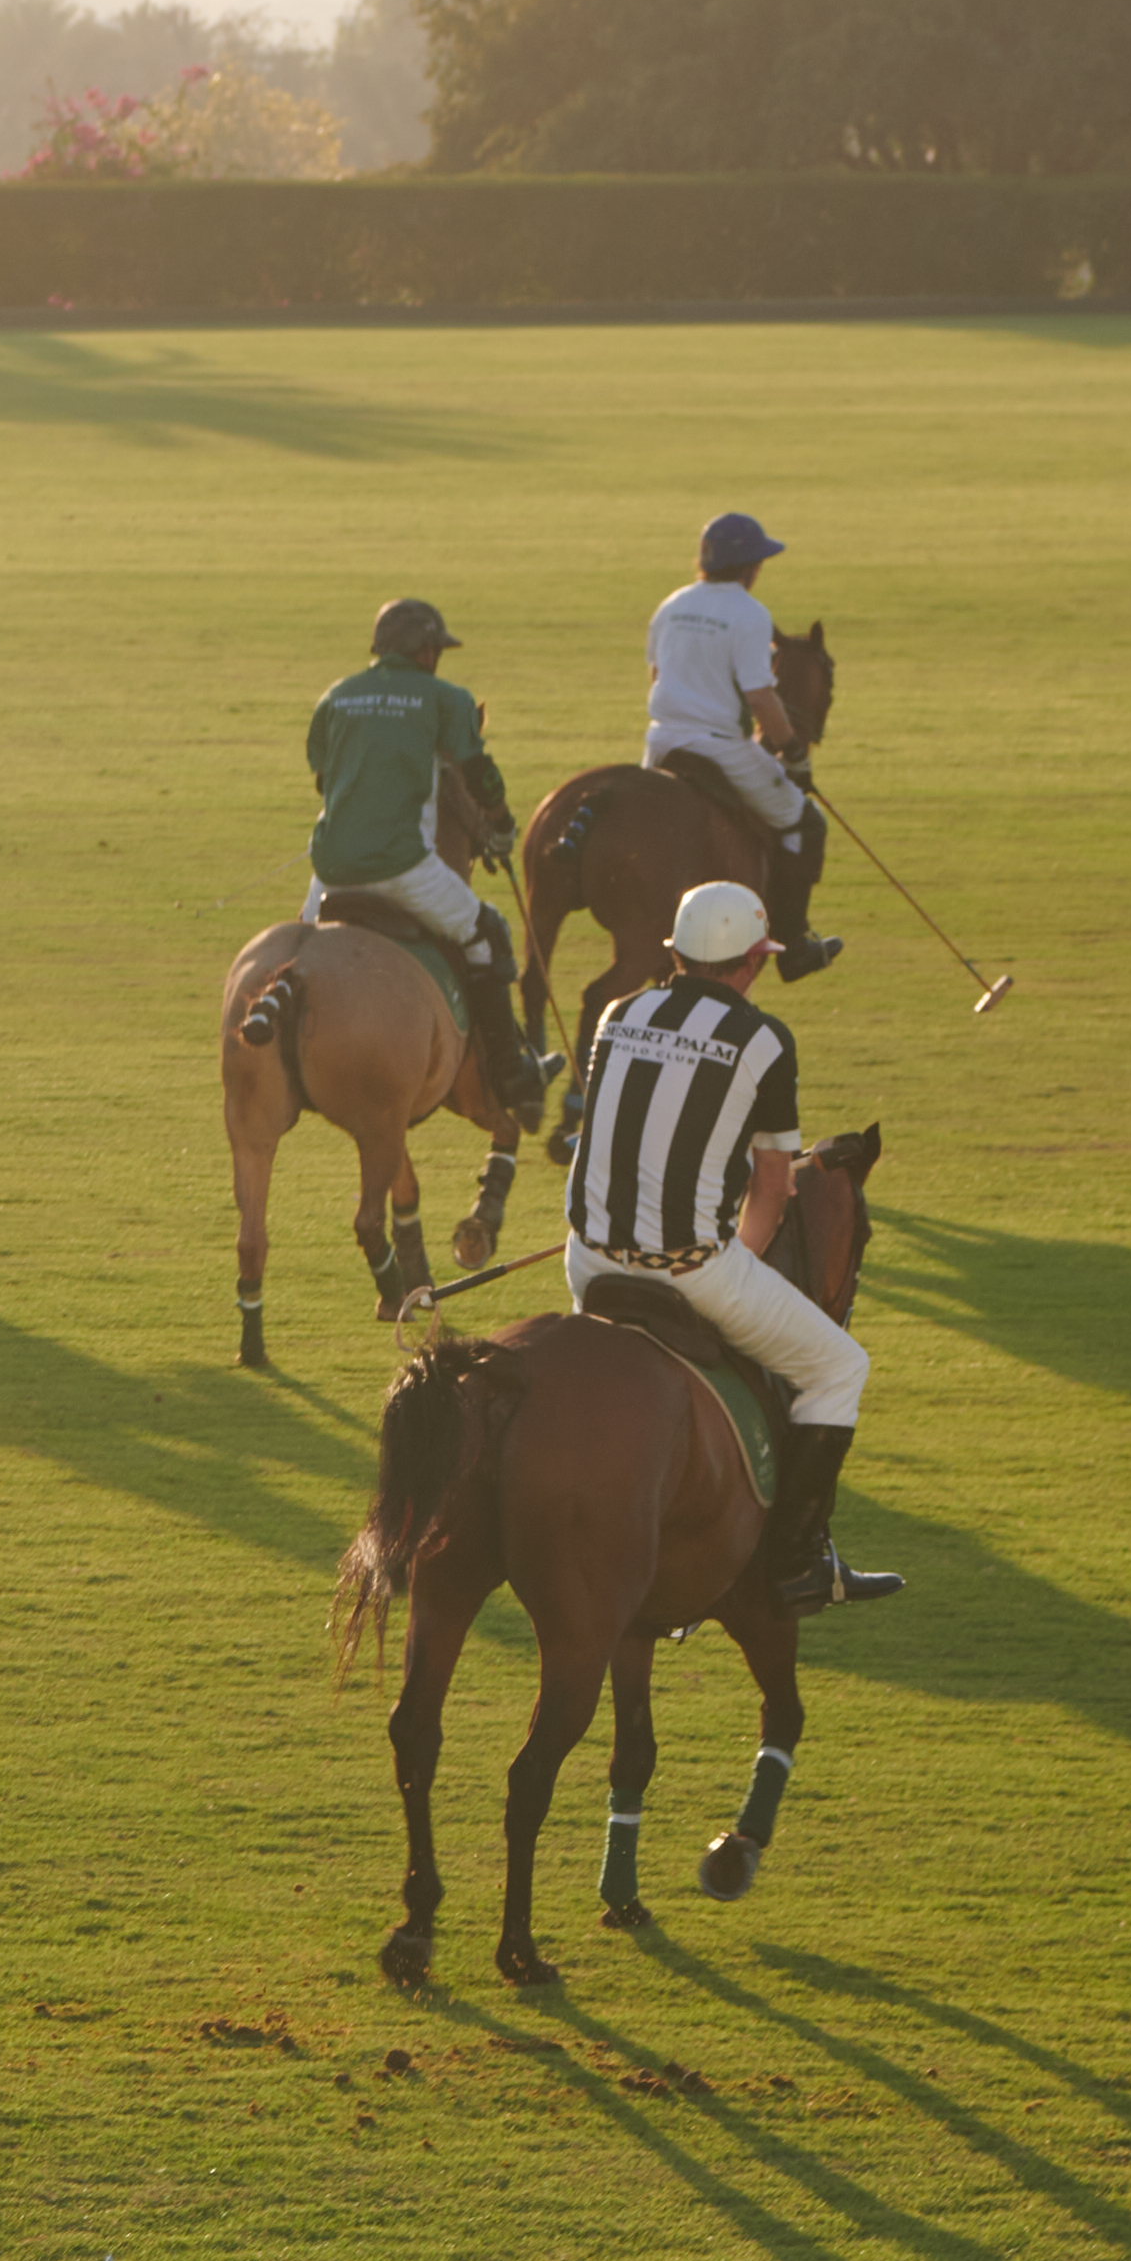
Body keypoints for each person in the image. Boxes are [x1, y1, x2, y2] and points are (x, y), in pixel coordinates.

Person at [559, 872, 894, 1615]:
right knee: (841, 1365)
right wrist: (736, 1257)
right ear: (753, 963)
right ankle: (799, 1558)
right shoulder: (765, 1039)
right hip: (689, 1273)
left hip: (585, 1260)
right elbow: (773, 1189)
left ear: (674, 954)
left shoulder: (618, 1010)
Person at [303, 598, 544, 1120]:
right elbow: (478, 773)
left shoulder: (337, 696)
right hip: (403, 868)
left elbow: (324, 777)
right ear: (428, 652)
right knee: (486, 932)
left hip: (329, 871)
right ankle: (508, 1071)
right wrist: (501, 825)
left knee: (296, 954)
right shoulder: (446, 699)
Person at [642, 514, 839, 966]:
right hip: (720, 748)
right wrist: (793, 753)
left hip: (660, 744)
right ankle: (793, 947)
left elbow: (656, 676)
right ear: (749, 567)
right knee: (805, 823)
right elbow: (760, 697)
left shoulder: (672, 604)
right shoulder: (749, 614)